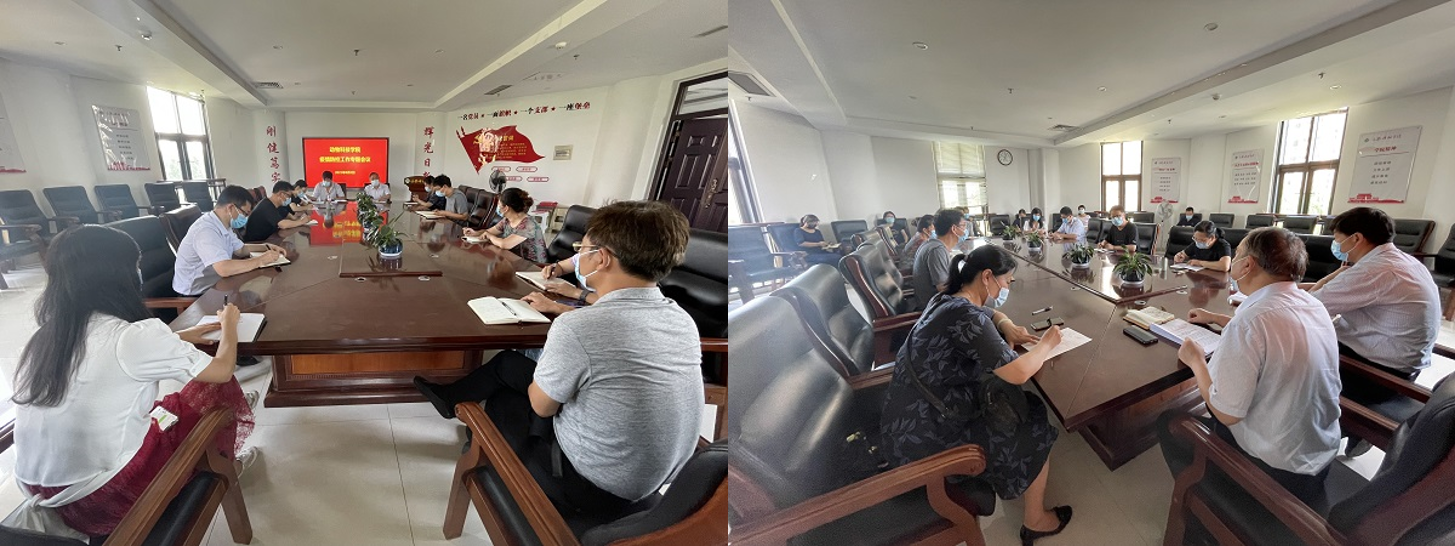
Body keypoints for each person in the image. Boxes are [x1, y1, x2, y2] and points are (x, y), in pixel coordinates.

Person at [412, 200, 703, 519]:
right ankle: (449, 398)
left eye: (582, 250)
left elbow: (542, 407)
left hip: (589, 486)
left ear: (602, 258)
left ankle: (484, 449)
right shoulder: (681, 319)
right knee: (509, 364)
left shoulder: (579, 327)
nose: (578, 258)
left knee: (503, 401)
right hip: (656, 481)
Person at [12, 225, 257, 537]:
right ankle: (224, 462)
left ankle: (226, 423)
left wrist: (179, 335)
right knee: (214, 388)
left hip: (43, 492)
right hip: (107, 498)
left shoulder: (47, 337)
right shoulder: (132, 337)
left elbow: (107, 351)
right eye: (135, 266)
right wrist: (230, 324)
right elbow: (222, 370)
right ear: (118, 275)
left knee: (164, 408)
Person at [882, 245, 1072, 545]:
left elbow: (990, 313)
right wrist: (1047, 343)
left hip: (910, 416)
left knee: (1019, 401)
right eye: (1006, 281)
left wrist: (1007, 325)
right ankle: (1035, 520)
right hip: (926, 435)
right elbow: (1019, 373)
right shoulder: (967, 317)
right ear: (987, 277)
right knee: (1031, 419)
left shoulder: (946, 299)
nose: (1006, 288)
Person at [1158, 227, 1341, 505]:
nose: (1235, 261)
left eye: (1238, 255)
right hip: (1318, 456)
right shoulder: (1312, 305)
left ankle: (1205, 508)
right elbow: (1272, 333)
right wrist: (1217, 318)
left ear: (1248, 264)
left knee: (1168, 421)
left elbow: (1225, 413)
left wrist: (1196, 361)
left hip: (1275, 471)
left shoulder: (1251, 321)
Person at [1303, 207, 1440, 455]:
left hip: (1375, 375)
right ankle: (1350, 431)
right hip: (1402, 366)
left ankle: (1313, 437)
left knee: (1293, 356)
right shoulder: (1403, 260)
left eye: (1337, 239)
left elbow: (1311, 306)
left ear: (1356, 238)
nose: (1336, 245)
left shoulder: (1375, 270)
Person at [173, 186, 285, 297]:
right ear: (231, 208)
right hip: (197, 292)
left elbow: (241, 250)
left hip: (216, 282)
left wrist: (266, 247)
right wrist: (260, 261)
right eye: (245, 213)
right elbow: (224, 269)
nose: (245, 218)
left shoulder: (223, 224)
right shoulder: (205, 230)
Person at [463, 188, 547, 263]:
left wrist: (490, 236)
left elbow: (504, 244)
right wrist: (475, 233)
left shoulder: (528, 225)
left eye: (499, 205)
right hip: (515, 260)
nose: (497, 207)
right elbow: (489, 231)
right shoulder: (507, 220)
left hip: (533, 266)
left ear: (506, 208)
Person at [911, 209, 970, 310]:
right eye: (963, 226)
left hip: (936, 302)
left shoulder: (931, 243)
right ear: (954, 229)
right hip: (934, 307)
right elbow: (944, 288)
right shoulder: (937, 250)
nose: (965, 230)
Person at [243, 181, 313, 242]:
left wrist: (299, 220)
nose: (290, 198)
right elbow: (283, 224)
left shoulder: (277, 206)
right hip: (256, 243)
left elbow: (288, 219)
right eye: (288, 196)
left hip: (267, 238)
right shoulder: (266, 205)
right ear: (281, 194)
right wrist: (301, 222)